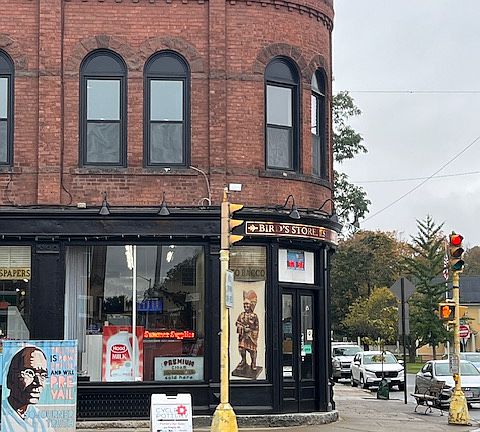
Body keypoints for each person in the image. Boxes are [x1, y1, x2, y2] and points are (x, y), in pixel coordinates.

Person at [2, 346, 55, 432]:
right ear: (11, 378)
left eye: (43, 375)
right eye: (29, 373)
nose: (38, 382)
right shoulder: (3, 414)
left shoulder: (41, 418)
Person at [235, 290, 260, 371]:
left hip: (251, 336)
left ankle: (253, 362)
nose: (246, 307)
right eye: (244, 305)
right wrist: (240, 327)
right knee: (241, 348)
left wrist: (250, 330)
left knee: (252, 350)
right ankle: (243, 360)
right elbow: (237, 322)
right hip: (243, 335)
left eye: (247, 305)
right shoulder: (241, 315)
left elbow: (256, 327)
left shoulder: (254, 316)